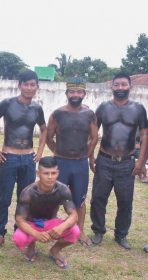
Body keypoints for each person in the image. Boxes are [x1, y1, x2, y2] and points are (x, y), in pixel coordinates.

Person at [0, 70, 47, 250]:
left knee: (25, 199)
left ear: (37, 87)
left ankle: (19, 232)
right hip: (9, 158)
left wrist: (39, 151)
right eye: (26, 84)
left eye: (32, 85)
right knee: (4, 199)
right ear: (19, 85)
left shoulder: (37, 108)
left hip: (28, 159)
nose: (29, 88)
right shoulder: (7, 104)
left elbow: (44, 129)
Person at [90, 73, 148, 250]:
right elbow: (93, 132)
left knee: (125, 201)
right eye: (117, 85)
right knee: (98, 198)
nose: (120, 88)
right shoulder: (103, 108)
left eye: (124, 84)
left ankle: (121, 235)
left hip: (127, 163)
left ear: (130, 86)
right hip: (104, 160)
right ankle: (98, 231)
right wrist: (90, 155)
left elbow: (145, 135)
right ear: (112, 87)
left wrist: (141, 162)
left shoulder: (139, 109)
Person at [46, 77, 98, 247]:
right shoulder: (57, 113)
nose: (75, 94)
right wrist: (58, 153)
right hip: (61, 163)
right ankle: (51, 227)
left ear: (84, 93)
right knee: (54, 197)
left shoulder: (89, 114)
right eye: (72, 91)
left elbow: (94, 137)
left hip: (80, 164)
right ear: (67, 93)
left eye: (79, 91)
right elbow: (48, 137)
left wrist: (87, 155)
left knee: (79, 200)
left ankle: (80, 230)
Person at [12, 156, 79, 269]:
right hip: (31, 224)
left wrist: (61, 227)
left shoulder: (63, 189)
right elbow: (19, 219)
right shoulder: (28, 192)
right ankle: (31, 246)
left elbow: (74, 215)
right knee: (19, 238)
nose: (50, 177)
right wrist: (36, 234)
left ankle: (55, 250)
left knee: (75, 231)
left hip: (51, 223)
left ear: (58, 173)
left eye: (53, 173)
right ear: (38, 173)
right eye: (46, 173)